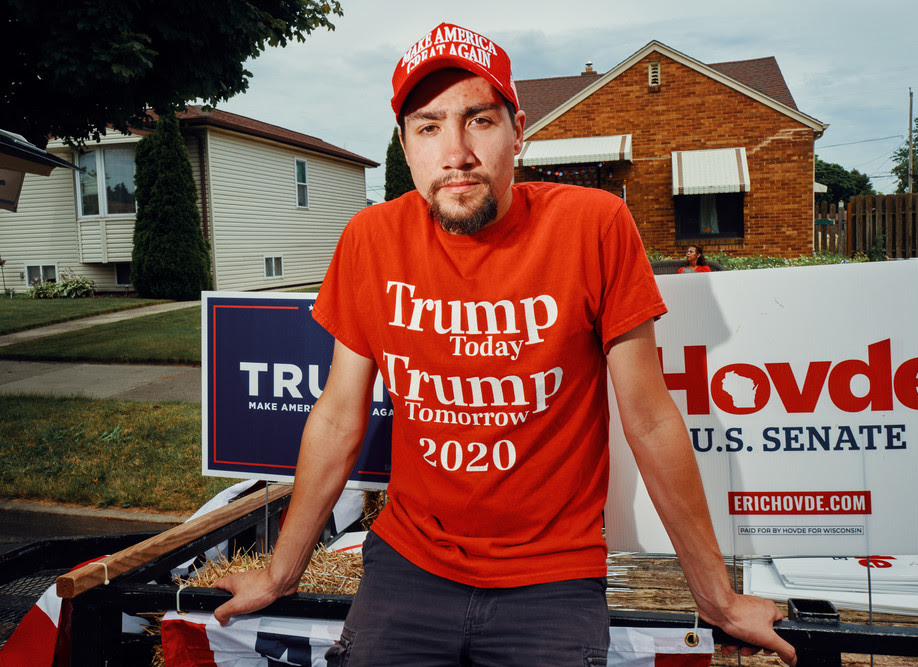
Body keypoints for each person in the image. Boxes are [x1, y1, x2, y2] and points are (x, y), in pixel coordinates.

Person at [213, 22, 796, 666]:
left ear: (518, 130)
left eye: (479, 121)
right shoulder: (371, 237)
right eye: (428, 127)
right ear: (405, 145)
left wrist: (716, 598)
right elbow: (337, 415)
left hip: (552, 576)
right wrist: (279, 573)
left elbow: (650, 419)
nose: (455, 152)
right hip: (409, 565)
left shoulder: (594, 225)